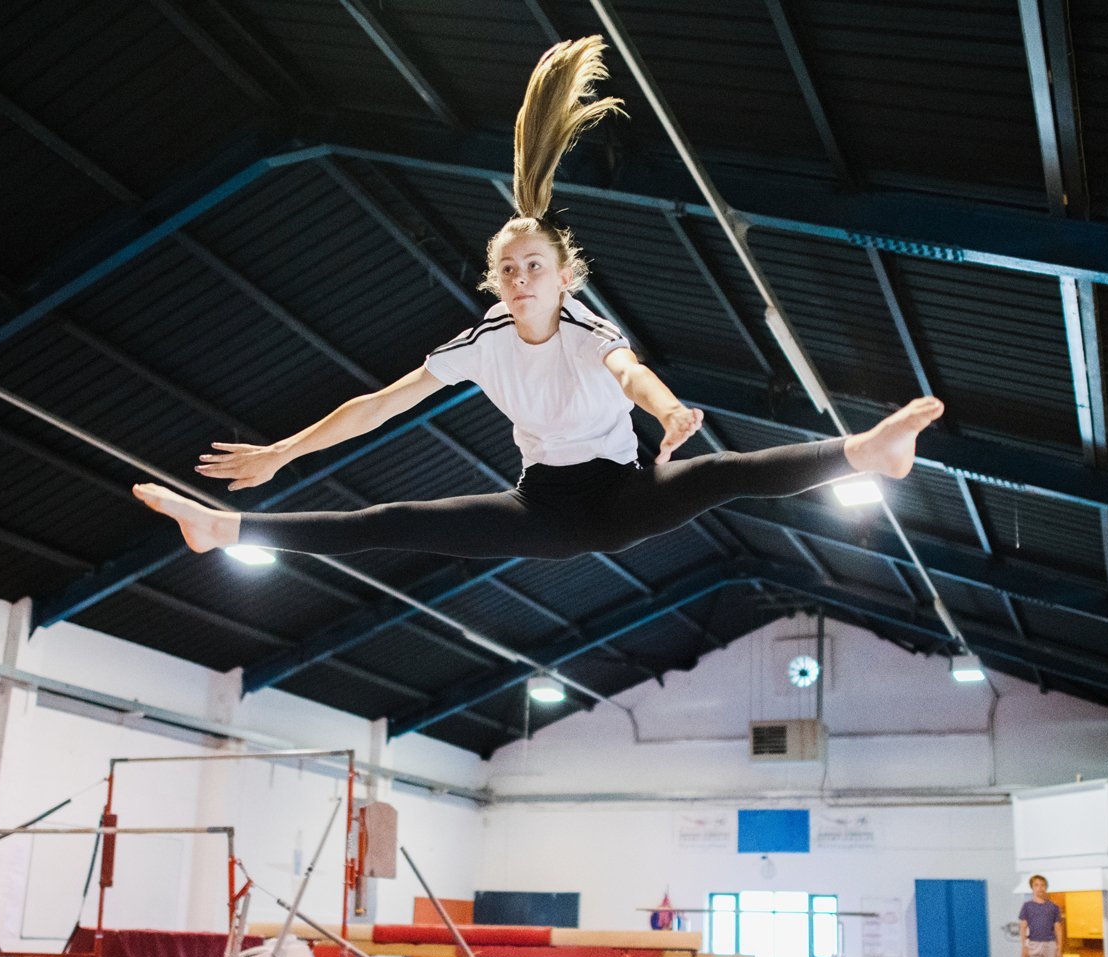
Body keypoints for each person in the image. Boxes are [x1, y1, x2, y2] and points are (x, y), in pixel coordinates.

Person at [133, 36, 943, 562]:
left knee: (725, 471)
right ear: (497, 281)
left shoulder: (588, 327)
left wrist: (667, 413)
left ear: (565, 275)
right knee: (395, 520)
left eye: (534, 266)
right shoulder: (479, 341)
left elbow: (630, 375)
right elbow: (377, 405)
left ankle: (865, 451)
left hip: (625, 494)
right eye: (509, 269)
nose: (521, 279)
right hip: (542, 509)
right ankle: (222, 528)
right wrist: (281, 452)